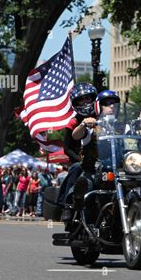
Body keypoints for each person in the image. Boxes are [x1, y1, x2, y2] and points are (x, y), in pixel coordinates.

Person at [62, 90, 121, 225]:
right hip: (92, 166)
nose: (111, 106)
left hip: (117, 169)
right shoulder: (89, 124)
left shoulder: (123, 126)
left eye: (114, 103)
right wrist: (83, 124)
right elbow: (74, 138)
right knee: (83, 179)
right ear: (99, 106)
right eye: (106, 104)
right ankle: (70, 205)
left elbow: (136, 139)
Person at [57, 83, 98, 221]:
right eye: (82, 99)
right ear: (76, 103)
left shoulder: (102, 118)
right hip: (81, 159)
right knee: (76, 168)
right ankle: (67, 205)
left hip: (101, 159)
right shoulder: (73, 122)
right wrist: (80, 160)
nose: (86, 101)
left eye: (88, 98)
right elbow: (67, 148)